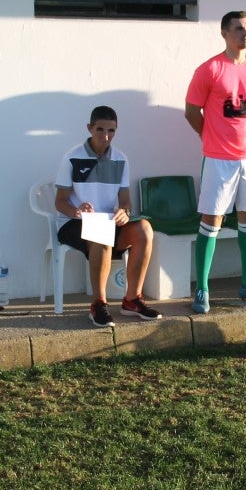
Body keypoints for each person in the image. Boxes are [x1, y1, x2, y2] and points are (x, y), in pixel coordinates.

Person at [184, 11, 246, 314]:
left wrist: (243, 139)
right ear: (224, 33)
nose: (245, 33)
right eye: (239, 28)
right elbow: (191, 112)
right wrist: (212, 138)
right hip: (218, 160)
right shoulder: (209, 69)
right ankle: (202, 288)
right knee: (211, 222)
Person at [54, 106, 161, 328]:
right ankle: (98, 304)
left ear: (116, 130)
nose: (105, 136)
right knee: (101, 231)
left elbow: (125, 200)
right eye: (100, 129)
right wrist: (76, 212)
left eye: (111, 131)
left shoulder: (121, 159)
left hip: (105, 224)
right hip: (73, 223)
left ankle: (132, 300)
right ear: (89, 128)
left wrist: (124, 212)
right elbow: (60, 201)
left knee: (144, 229)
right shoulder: (72, 157)